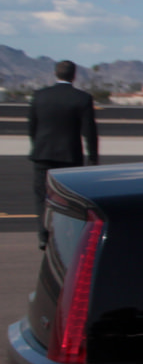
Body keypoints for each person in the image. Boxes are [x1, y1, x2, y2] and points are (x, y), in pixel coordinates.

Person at [28, 60, 98, 248]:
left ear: (55, 74)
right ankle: (69, 237)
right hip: (70, 156)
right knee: (71, 199)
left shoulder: (39, 96)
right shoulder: (82, 98)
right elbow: (89, 131)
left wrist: (37, 147)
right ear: (74, 75)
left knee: (42, 196)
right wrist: (92, 157)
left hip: (43, 154)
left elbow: (32, 126)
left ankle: (43, 236)